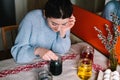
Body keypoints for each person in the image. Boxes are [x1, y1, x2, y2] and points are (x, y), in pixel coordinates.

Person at [11, 0, 76, 64]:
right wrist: (38, 50)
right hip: (29, 63)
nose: (58, 29)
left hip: (46, 64)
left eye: (63, 24)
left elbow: (61, 51)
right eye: (54, 24)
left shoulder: (64, 23)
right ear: (45, 14)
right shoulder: (31, 18)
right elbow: (18, 55)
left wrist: (62, 33)